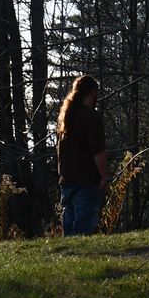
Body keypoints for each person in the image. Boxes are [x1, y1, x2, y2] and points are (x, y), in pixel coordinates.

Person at [56, 74, 107, 236]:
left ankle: (68, 259)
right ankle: (83, 259)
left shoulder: (66, 117)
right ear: (92, 92)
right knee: (84, 230)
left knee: (70, 229)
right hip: (86, 181)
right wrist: (104, 176)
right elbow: (98, 151)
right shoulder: (91, 117)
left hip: (67, 181)